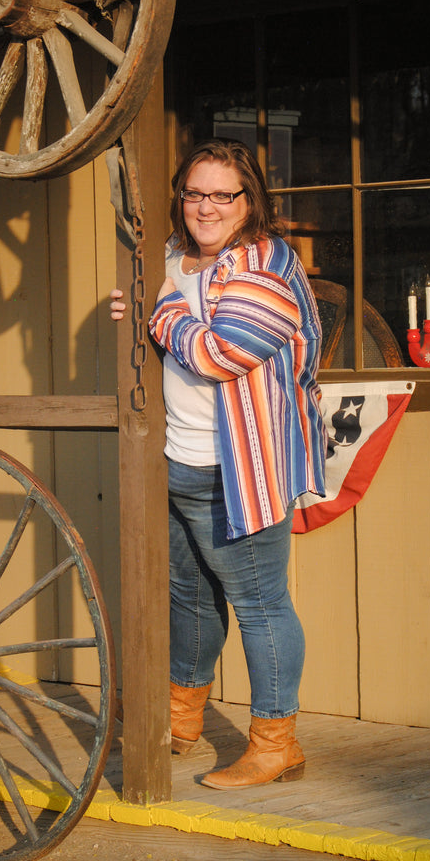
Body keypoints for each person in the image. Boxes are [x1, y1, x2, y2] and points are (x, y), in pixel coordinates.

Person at [110, 138, 326, 789]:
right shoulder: (172, 257)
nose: (206, 206)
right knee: (190, 598)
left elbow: (219, 353)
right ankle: (181, 718)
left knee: (261, 604)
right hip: (178, 462)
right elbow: (154, 327)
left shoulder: (268, 265)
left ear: (248, 200)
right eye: (194, 192)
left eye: (223, 194)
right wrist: (133, 314)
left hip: (243, 471)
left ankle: (275, 741)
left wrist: (161, 312)